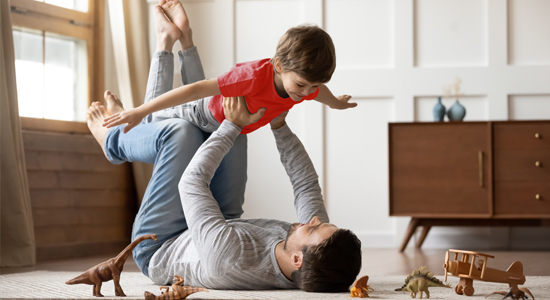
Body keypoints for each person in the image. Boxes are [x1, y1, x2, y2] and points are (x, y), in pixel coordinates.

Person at [86, 94, 361, 292]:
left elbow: (190, 183)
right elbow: (305, 184)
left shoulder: (230, 259)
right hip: (222, 223)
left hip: (161, 243)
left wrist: (232, 125)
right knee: (233, 125)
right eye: (321, 222)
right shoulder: (311, 248)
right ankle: (141, 109)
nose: (313, 220)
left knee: (182, 133)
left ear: (297, 260)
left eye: (314, 229)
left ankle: (112, 139)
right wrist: (279, 125)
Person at [102, 0, 357, 134]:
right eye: (302, 85)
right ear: (279, 65)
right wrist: (140, 110)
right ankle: (129, 109)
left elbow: (319, 92)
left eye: (312, 85)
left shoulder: (303, 84)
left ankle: (184, 35)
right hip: (201, 114)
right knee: (149, 122)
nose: (306, 92)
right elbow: (196, 90)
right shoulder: (252, 78)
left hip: (219, 121)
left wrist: (336, 102)